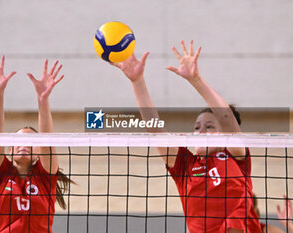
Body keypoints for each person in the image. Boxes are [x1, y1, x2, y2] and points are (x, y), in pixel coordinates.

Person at [111, 40, 262, 233]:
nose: (201, 132)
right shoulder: (186, 166)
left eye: (209, 127)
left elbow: (226, 116)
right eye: (197, 127)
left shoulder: (235, 156)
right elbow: (155, 129)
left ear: (224, 134)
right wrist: (137, 81)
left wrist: (195, 79)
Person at [0, 54, 71, 233]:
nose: (24, 144)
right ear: (9, 149)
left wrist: (43, 100)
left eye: (30, 141)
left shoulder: (45, 178)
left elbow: (46, 138)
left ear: (38, 153)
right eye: (18, 140)